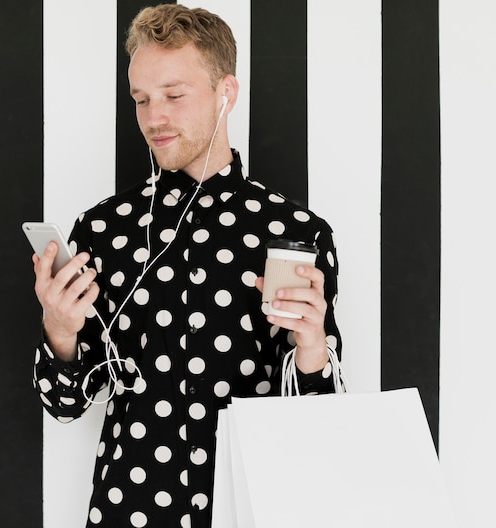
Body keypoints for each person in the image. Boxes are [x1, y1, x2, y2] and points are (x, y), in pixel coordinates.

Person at [30, 4, 342, 528]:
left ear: (227, 93)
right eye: (141, 99)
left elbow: (318, 421)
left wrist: (312, 349)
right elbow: (63, 405)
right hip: (131, 509)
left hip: (255, 508)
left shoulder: (298, 233)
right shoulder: (103, 230)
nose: (155, 117)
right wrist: (60, 331)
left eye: (175, 95)